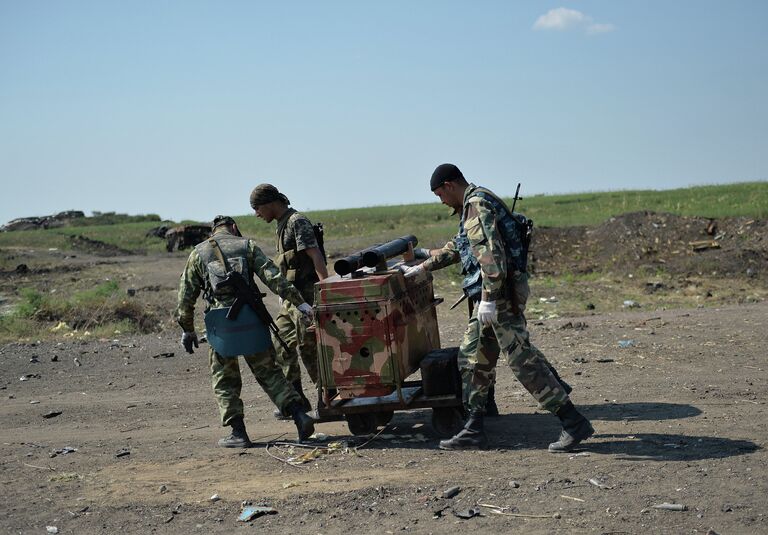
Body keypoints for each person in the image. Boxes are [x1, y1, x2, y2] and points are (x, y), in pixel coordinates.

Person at [403, 164, 594, 452]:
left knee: (523, 361)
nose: (441, 201)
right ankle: (474, 427)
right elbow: (459, 248)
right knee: (473, 358)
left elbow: (491, 258)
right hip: (491, 298)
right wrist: (422, 267)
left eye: (440, 194)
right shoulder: (475, 201)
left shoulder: (476, 205)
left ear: (450, 185)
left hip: (498, 298)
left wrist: (490, 300)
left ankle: (573, 421)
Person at [175, 215, 316, 447]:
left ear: (213, 231)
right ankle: (300, 416)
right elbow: (273, 277)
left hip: (221, 327)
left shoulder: (197, 253)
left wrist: (187, 330)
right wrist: (300, 303)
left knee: (224, 378)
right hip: (251, 320)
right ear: (233, 228)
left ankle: (238, 433)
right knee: (270, 372)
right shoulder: (246, 246)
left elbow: (185, 296)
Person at [249, 184, 329, 417]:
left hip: (307, 297)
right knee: (281, 345)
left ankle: (328, 401)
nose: (257, 214)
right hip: (290, 300)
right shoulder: (281, 225)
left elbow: (316, 256)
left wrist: (325, 293)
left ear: (269, 203)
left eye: (257, 208)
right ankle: (296, 401)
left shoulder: (297, 222)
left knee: (310, 350)